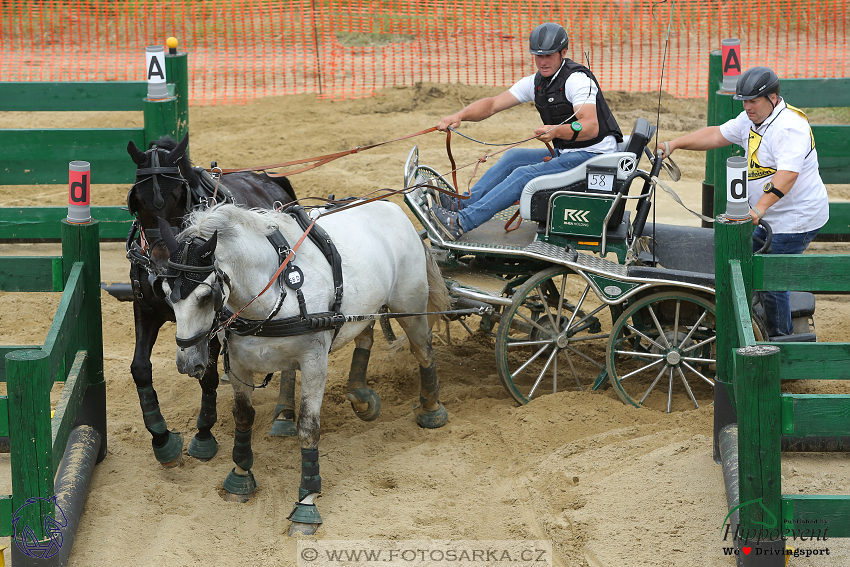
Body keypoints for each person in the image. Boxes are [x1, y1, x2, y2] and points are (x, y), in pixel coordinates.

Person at [657, 66, 829, 337]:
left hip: (794, 220)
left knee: (771, 279)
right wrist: (674, 144)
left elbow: (787, 176)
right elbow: (716, 134)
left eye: (753, 101)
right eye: (744, 101)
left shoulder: (789, 127)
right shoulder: (752, 119)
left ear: (772, 98)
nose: (747, 106)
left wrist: (759, 208)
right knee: (744, 260)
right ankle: (752, 315)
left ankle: (780, 342)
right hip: (769, 217)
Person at [429, 22, 622, 240]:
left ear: (563, 53)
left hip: (594, 157)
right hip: (569, 153)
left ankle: (460, 222)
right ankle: (460, 204)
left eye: (548, 55)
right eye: (538, 56)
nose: (542, 61)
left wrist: (556, 131)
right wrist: (459, 116)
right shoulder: (536, 82)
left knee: (524, 176)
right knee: (513, 158)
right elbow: (492, 104)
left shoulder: (577, 80)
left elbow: (589, 126)